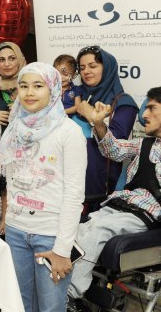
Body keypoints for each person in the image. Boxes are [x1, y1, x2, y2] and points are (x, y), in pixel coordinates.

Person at [0, 62, 87, 312]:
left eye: (38, 86)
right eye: (23, 86)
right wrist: (8, 219)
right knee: (18, 305)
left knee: (51, 308)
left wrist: (62, 250)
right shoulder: (15, 129)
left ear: (53, 89)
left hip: (51, 235)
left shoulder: (69, 132)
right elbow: (11, 181)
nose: (29, 92)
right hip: (16, 231)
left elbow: (74, 194)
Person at [68, 87, 161, 301]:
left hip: (145, 215)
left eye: (151, 108)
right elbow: (113, 150)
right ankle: (59, 282)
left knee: (99, 230)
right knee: (78, 229)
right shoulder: (143, 144)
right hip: (118, 206)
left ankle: (70, 293)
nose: (144, 115)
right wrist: (99, 123)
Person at [75, 46, 138, 203]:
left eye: (93, 66)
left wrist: (91, 116)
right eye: (82, 68)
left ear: (107, 68)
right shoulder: (74, 96)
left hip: (100, 185)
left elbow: (116, 145)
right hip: (68, 179)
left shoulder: (124, 103)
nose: (86, 71)